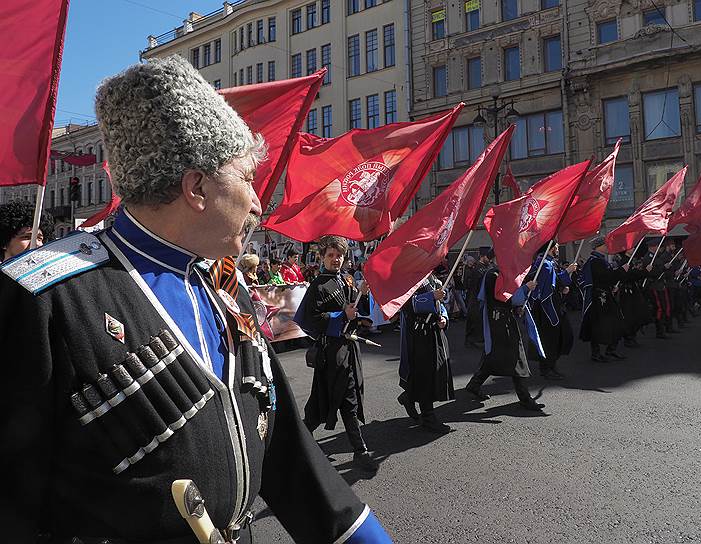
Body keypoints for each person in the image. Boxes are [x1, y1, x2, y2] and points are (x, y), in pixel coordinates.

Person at [0, 57, 391, 543]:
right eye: (247, 178)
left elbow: (285, 449)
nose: (257, 202)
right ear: (197, 187)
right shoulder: (44, 297)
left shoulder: (226, 286)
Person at [294, 235, 378, 473]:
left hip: (349, 349)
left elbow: (357, 308)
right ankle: (300, 441)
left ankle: (359, 450)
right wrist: (342, 317)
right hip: (331, 353)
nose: (335, 259)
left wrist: (363, 293)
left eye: (339, 255)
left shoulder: (349, 280)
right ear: (322, 257)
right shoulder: (318, 286)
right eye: (330, 255)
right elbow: (309, 320)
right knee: (324, 403)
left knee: (347, 399)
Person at [465, 249, 545, 411]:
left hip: (505, 319)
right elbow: (501, 296)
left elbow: (509, 299)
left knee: (495, 355)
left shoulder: (502, 273)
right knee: (517, 356)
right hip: (497, 322)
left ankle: (474, 384)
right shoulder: (492, 275)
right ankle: (525, 398)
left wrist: (517, 308)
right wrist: (524, 290)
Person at [397, 274, 454, 433]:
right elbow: (406, 305)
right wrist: (430, 296)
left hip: (434, 331)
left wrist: (444, 317)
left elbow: (440, 304)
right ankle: (428, 417)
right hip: (418, 334)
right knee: (425, 376)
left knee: (435, 373)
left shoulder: (433, 278)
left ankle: (408, 396)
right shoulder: (407, 278)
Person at [527, 241, 576, 380]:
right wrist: (567, 272)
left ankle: (551, 365)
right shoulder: (545, 263)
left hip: (553, 304)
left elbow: (554, 281)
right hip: (546, 307)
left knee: (559, 335)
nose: (558, 249)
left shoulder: (548, 262)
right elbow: (548, 285)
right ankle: (546, 368)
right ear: (550, 248)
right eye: (556, 247)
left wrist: (562, 287)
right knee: (549, 337)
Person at [579, 236, 628, 362]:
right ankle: (597, 353)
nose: (607, 246)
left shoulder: (599, 260)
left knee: (613, 322)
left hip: (604, 294)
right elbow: (606, 277)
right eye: (605, 244)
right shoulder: (595, 261)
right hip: (599, 298)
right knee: (599, 324)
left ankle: (609, 350)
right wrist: (621, 270)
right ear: (598, 247)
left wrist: (612, 286)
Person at [615, 253, 650, 347]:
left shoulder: (630, 260)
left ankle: (632, 335)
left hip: (633, 290)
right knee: (629, 314)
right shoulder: (625, 261)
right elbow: (629, 275)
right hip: (627, 291)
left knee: (636, 313)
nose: (634, 249)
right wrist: (644, 272)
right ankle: (628, 337)